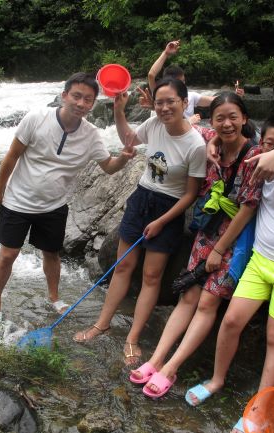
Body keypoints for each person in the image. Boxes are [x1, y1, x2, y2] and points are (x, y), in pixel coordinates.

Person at [186, 114, 274, 433]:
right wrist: (214, 140)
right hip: (260, 261)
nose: (272, 150)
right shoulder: (256, 166)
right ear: (260, 143)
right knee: (231, 321)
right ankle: (217, 380)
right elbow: (214, 130)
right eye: (268, 143)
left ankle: (259, 409)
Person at [127, 92, 262, 397]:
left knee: (207, 302)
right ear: (212, 121)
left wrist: (219, 250)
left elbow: (248, 208)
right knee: (188, 296)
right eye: (220, 118)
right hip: (207, 232)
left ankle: (170, 368)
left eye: (233, 117)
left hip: (233, 241)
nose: (227, 124)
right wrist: (153, 105)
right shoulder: (209, 139)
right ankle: (156, 359)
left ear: (244, 118)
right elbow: (182, 124)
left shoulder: (255, 156)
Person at [73, 78, 206, 367]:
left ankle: (132, 338)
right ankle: (101, 324)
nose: (164, 107)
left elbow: (191, 194)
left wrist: (162, 221)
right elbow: (129, 141)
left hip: (169, 208)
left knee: (151, 276)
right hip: (142, 199)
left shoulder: (196, 144)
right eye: (159, 102)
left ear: (185, 103)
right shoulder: (154, 124)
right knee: (122, 266)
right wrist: (119, 111)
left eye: (171, 101)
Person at [0, 72, 136, 321]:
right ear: (64, 95)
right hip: (18, 200)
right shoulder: (37, 118)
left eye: (88, 99)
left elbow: (109, 167)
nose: (81, 103)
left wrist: (124, 157)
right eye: (76, 96)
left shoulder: (91, 135)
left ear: (93, 104)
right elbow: (12, 155)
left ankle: (54, 298)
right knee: (8, 254)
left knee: (52, 254)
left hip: (54, 205)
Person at [143, 40, 244, 125]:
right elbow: (151, 75)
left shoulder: (190, 96)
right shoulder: (160, 96)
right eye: (180, 82)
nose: (183, 85)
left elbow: (214, 100)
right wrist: (166, 53)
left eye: (184, 81)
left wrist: (234, 96)